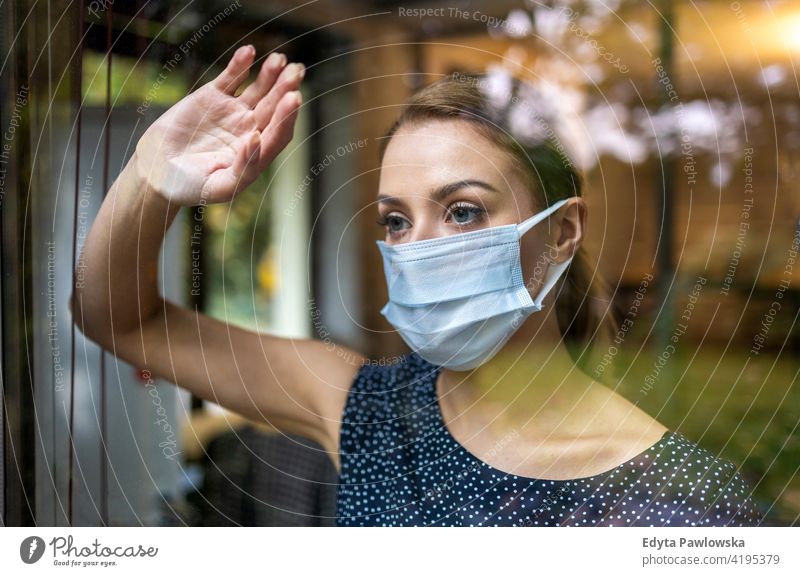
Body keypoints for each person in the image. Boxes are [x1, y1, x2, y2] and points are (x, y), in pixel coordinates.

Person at [73, 44, 764, 527]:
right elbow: (116, 319)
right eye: (396, 221)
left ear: (562, 232)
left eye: (463, 211)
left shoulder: (682, 503)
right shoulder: (367, 411)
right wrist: (152, 179)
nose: (418, 248)